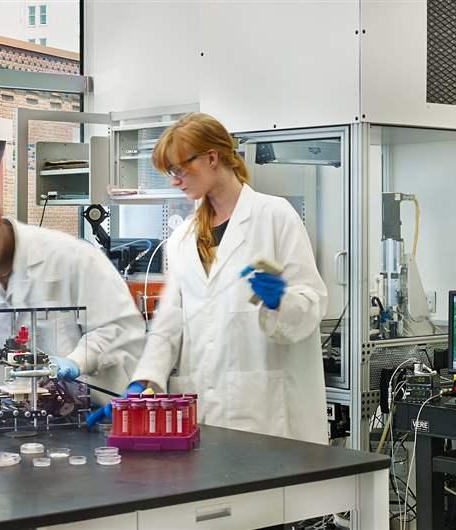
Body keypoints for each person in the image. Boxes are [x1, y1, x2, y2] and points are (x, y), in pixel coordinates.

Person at [126, 113, 329, 444]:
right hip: (204, 406)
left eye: (179, 168)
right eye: (170, 172)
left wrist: (282, 301)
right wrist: (146, 379)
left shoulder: (274, 216)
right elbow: (168, 323)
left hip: (267, 411)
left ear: (211, 157)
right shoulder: (182, 238)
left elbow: (312, 302)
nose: (175, 180)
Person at [0, 183, 144, 407]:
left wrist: (76, 362)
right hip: (14, 412)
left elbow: (119, 328)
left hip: (89, 409)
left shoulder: (73, 256)